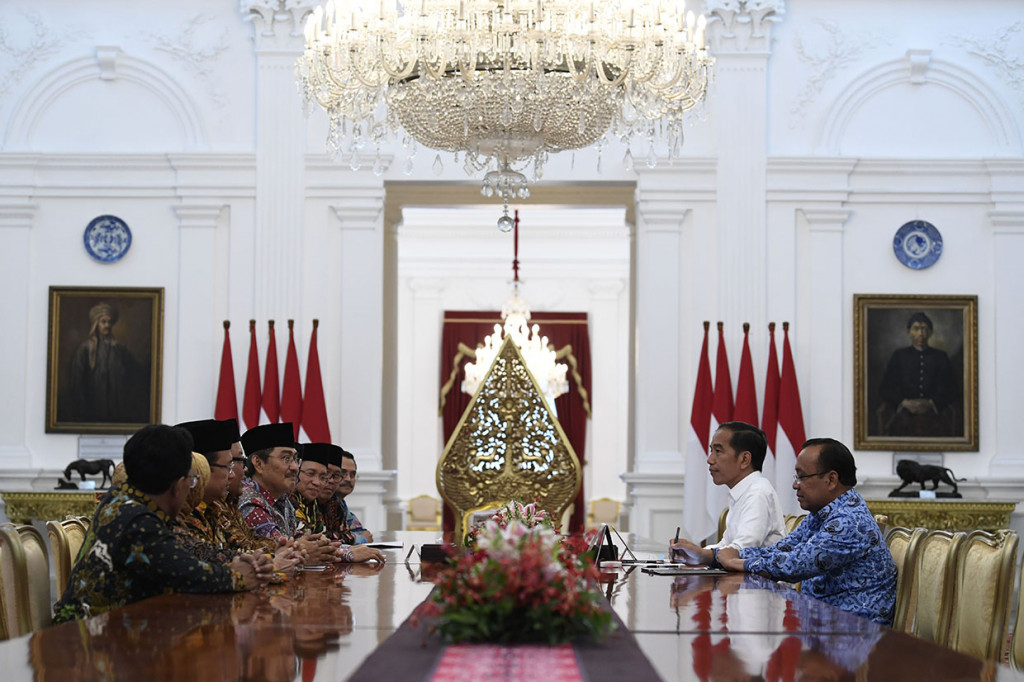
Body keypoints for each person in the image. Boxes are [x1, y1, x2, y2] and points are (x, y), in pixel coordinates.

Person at [53, 424, 274, 623]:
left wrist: (241, 561)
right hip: (86, 646)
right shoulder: (137, 521)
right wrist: (238, 577)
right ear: (178, 486)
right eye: (192, 481)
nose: (191, 489)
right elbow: (186, 573)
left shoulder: (122, 499)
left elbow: (186, 555)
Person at [714, 438, 897, 625]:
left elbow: (794, 566)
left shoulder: (850, 521)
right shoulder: (824, 514)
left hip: (853, 636)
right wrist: (717, 556)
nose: (795, 485)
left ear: (831, 479)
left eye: (802, 477)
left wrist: (738, 562)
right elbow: (781, 550)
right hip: (823, 624)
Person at [239, 423, 384, 565]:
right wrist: (347, 553)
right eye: (286, 459)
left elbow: (306, 543)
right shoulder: (250, 500)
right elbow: (282, 550)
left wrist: (348, 550)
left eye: (295, 459)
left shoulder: (283, 500)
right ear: (258, 463)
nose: (295, 467)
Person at [671, 422, 785, 563]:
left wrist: (702, 554)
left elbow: (741, 552)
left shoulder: (758, 493)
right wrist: (692, 552)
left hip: (761, 584)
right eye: (711, 451)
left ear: (744, 459)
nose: (710, 460)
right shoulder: (743, 491)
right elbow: (726, 545)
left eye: (718, 451)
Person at [877, 311, 960, 437]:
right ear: (909, 332)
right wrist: (904, 402)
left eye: (925, 329)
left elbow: (953, 389)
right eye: (916, 329)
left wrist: (931, 403)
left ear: (931, 332)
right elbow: (885, 388)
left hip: (934, 414)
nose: (921, 334)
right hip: (903, 414)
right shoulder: (899, 356)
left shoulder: (940, 357)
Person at [65, 302, 146, 423]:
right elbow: (77, 383)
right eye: (103, 322)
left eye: (109, 322)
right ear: (96, 324)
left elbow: (134, 375)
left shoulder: (120, 349)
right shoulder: (85, 349)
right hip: (92, 407)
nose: (107, 325)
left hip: (117, 407)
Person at [320, 447, 373, 544]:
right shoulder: (318, 500)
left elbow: (359, 531)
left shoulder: (338, 503)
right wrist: (360, 539)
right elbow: (328, 540)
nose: (348, 479)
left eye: (352, 474)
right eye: (342, 473)